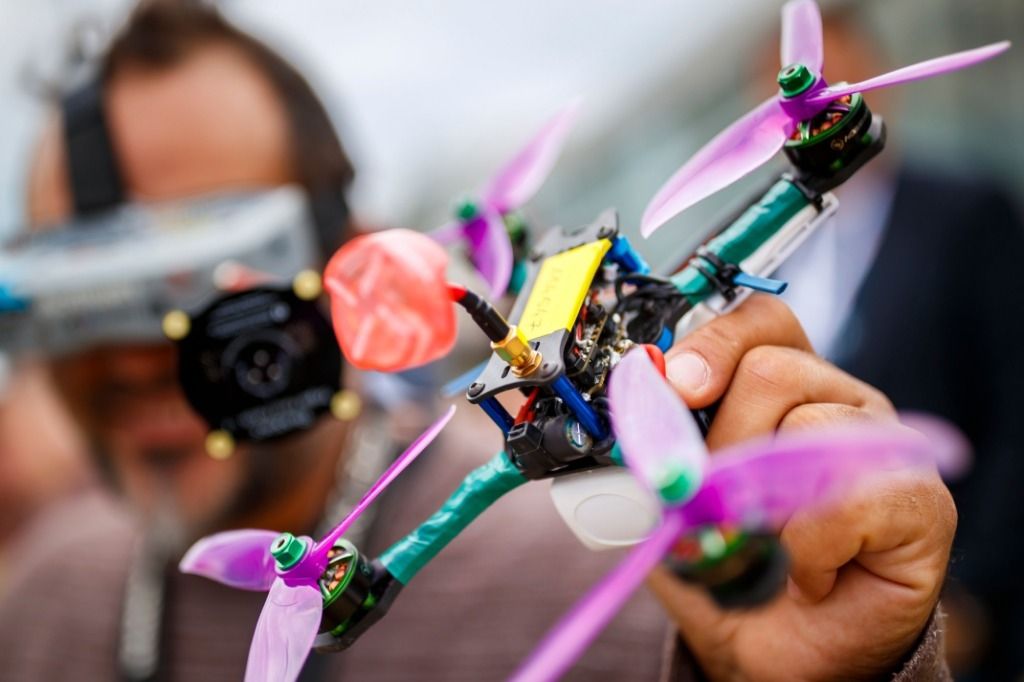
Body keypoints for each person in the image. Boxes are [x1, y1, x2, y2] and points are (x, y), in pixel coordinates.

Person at [0, 2, 956, 680]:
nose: (139, 356)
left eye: (218, 274)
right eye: (76, 303)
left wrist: (849, 669)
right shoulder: (46, 597)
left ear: (360, 257)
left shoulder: (628, 568)